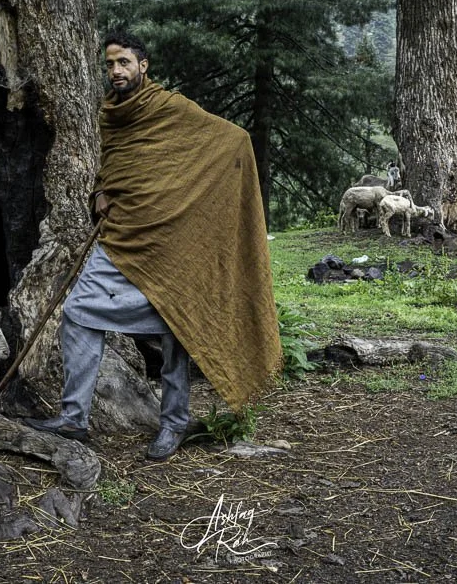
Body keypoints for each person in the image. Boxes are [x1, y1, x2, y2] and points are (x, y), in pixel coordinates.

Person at [25, 30, 281, 461]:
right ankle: (74, 418)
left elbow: (233, 140)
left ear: (143, 65)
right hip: (124, 236)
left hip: (171, 240)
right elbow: (119, 166)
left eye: (124, 62)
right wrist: (100, 192)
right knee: (78, 311)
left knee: (178, 324)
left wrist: (200, 209)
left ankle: (174, 423)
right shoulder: (112, 114)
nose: (116, 71)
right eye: (109, 64)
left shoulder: (170, 108)